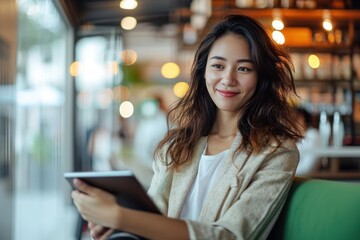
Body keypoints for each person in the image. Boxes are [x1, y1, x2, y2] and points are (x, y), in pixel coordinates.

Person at [71, 14, 303, 240]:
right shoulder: (177, 144)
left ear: (261, 78)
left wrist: (122, 217)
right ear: (203, 72)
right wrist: (119, 227)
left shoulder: (277, 152)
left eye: (244, 68)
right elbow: (154, 217)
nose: (228, 79)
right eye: (218, 66)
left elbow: (230, 236)